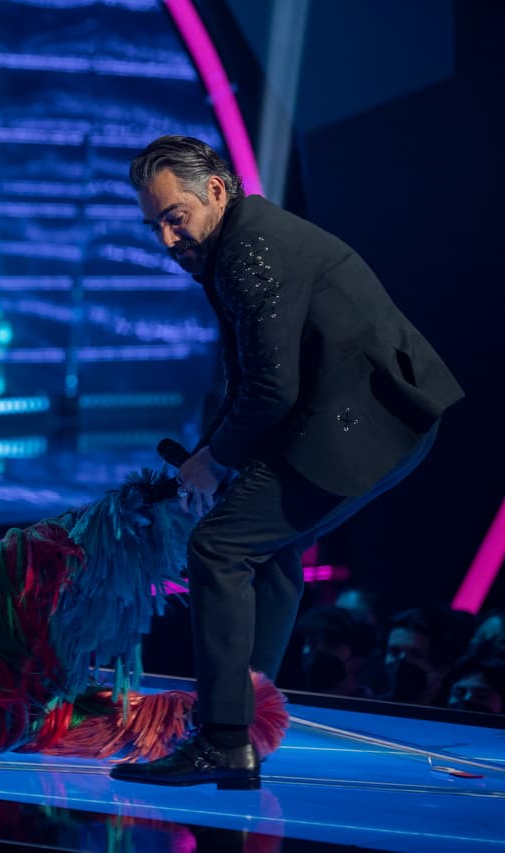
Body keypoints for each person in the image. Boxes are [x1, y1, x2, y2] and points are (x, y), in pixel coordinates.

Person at [110, 136, 463, 789]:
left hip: (361, 426)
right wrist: (210, 455)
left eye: (174, 216)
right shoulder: (239, 243)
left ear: (216, 189)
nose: (166, 239)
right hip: (368, 421)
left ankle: (223, 738)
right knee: (265, 557)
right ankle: (243, 729)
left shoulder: (248, 250)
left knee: (218, 548)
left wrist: (215, 460)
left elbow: (272, 387)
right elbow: (248, 374)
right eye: (154, 224)